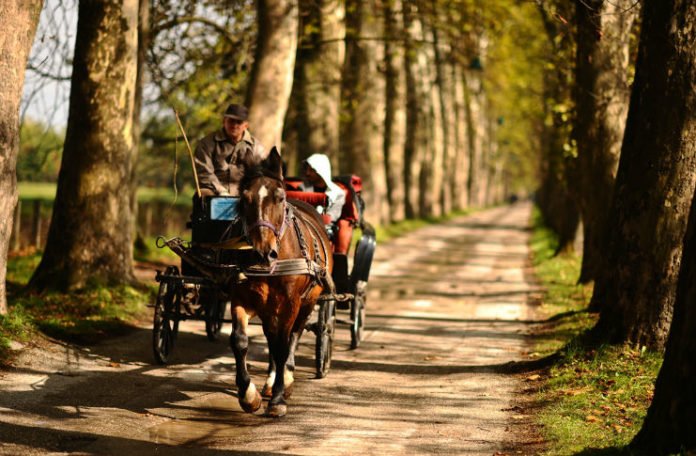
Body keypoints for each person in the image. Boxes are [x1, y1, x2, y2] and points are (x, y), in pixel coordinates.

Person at [301, 154, 354, 293]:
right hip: (302, 225)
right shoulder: (301, 189)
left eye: (311, 170)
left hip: (325, 229)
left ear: (321, 170)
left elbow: (332, 216)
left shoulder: (338, 193)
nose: (307, 173)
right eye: (307, 169)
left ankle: (336, 282)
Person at [194, 103, 266, 197]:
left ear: (246, 125)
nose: (234, 125)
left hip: (246, 195)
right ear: (224, 121)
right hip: (214, 192)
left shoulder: (257, 147)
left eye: (239, 122)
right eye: (231, 121)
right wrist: (221, 191)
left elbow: (262, 174)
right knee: (203, 193)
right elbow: (204, 172)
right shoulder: (206, 144)